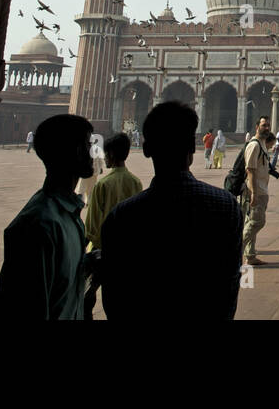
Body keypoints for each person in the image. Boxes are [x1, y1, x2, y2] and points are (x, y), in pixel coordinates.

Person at [99, 101, 243, 320]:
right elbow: (229, 285)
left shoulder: (123, 216)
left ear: (146, 149)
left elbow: (114, 296)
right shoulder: (226, 205)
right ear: (192, 147)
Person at [0, 113, 95, 319]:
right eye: (88, 145)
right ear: (75, 151)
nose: (93, 153)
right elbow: (28, 308)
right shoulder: (39, 224)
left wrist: (86, 264)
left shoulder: (69, 214)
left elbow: (59, 282)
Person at [82, 132, 143, 319]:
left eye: (106, 155)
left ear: (111, 155)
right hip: (129, 250)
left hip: (104, 249)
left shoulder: (103, 185)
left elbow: (92, 224)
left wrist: (83, 246)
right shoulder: (136, 182)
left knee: (90, 294)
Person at [241, 117, 274, 266]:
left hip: (260, 189)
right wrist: (253, 192)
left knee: (250, 221)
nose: (266, 128)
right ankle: (233, 250)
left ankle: (250, 255)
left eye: (268, 125)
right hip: (254, 190)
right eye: (263, 125)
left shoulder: (261, 144)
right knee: (256, 222)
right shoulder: (254, 145)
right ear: (257, 127)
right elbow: (250, 170)